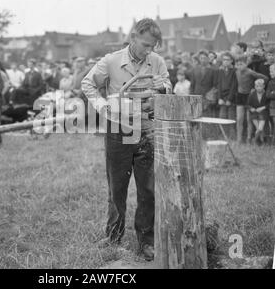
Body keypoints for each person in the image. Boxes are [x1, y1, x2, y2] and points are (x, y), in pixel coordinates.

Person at [81, 18, 171, 261]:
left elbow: (168, 86)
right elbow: (87, 83)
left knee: (148, 188)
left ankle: (146, 240)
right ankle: (113, 236)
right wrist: (101, 105)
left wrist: (162, 89)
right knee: (117, 187)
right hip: (118, 129)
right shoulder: (111, 61)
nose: (148, 50)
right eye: (145, 44)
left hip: (148, 129)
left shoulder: (157, 62)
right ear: (133, 37)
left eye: (153, 46)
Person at [234, 55, 268, 143]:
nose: (239, 66)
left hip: (249, 96)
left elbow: (265, 78)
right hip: (240, 96)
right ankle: (239, 139)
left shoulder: (250, 72)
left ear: (246, 64)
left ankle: (249, 138)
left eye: (241, 64)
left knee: (249, 119)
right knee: (239, 118)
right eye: (237, 64)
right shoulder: (237, 72)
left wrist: (255, 88)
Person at [190, 50, 218, 117]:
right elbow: (192, 84)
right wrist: (191, 96)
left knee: (207, 117)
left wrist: (210, 95)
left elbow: (216, 84)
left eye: (204, 58)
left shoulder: (213, 70)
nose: (203, 60)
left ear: (208, 59)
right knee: (196, 116)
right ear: (199, 59)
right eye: (201, 58)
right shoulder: (195, 69)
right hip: (196, 96)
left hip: (207, 97)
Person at [217, 52, 237, 138]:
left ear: (231, 61)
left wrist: (229, 99)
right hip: (222, 97)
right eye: (224, 60)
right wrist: (219, 98)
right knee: (222, 117)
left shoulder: (234, 71)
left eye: (227, 60)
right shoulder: (221, 71)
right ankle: (223, 136)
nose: (225, 61)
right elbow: (219, 85)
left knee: (231, 118)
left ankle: (232, 137)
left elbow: (234, 86)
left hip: (231, 98)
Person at [247, 79, 268, 144]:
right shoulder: (252, 94)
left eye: (260, 86)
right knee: (258, 128)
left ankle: (254, 141)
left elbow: (269, 104)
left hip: (262, 113)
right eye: (257, 86)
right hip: (254, 113)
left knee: (260, 128)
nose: (259, 88)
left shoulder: (266, 94)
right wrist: (251, 108)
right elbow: (248, 104)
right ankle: (261, 141)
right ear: (255, 87)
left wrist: (263, 107)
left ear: (263, 86)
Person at [266, 63, 275, 145]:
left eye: (272, 71)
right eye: (270, 71)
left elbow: (271, 94)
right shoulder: (270, 82)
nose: (270, 73)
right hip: (273, 107)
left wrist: (274, 93)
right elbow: (267, 95)